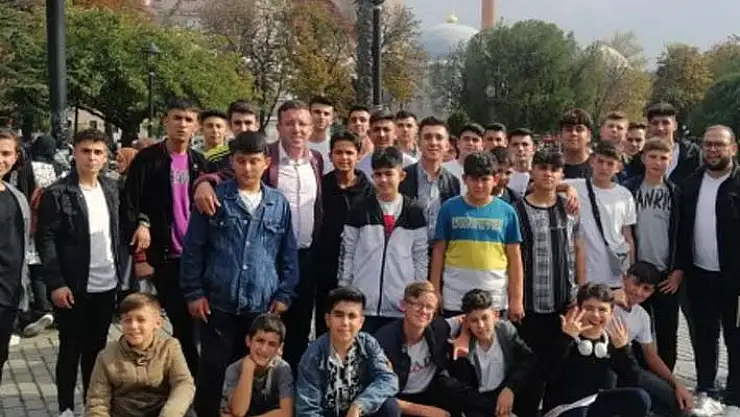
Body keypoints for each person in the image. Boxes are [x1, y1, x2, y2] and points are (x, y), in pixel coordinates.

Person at [194, 100, 324, 372]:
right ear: (279, 127)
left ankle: (287, 388)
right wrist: (204, 182)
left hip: (304, 257)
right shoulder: (263, 155)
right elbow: (230, 173)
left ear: (311, 127)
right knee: (251, 345)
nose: (296, 129)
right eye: (289, 123)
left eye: (302, 123)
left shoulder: (316, 160)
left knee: (297, 331)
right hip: (261, 262)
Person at [180, 131, 299, 417]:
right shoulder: (215, 198)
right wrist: (193, 292)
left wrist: (285, 293)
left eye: (254, 161)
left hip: (260, 305)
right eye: (241, 161)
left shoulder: (278, 203)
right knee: (213, 370)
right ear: (232, 161)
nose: (247, 168)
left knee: (251, 372)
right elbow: (193, 248)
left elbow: (288, 253)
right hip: (217, 303)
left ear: (266, 163)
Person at [36, 129, 122, 415]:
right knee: (70, 349)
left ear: (106, 156)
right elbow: (46, 240)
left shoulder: (111, 188)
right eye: (86, 151)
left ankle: (92, 404)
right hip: (73, 285)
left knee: (96, 350)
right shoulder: (58, 192)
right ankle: (65, 407)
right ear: (74, 153)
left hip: (106, 283)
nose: (92, 158)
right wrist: (56, 283)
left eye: (98, 152)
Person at [123, 98, 206, 377]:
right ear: (165, 121)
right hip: (164, 257)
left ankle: (194, 380)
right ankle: (187, 381)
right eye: (177, 118)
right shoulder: (147, 160)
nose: (182, 124)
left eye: (188, 119)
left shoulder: (199, 163)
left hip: (196, 257)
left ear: (196, 126)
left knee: (198, 323)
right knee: (181, 323)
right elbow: (131, 204)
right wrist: (140, 254)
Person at [513, 150, 585, 417]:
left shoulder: (569, 208)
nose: (548, 174)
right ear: (532, 171)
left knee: (559, 370)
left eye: (554, 169)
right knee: (530, 369)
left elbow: (578, 248)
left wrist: (581, 290)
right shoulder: (516, 210)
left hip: (563, 303)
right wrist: (515, 299)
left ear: (561, 174)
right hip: (529, 306)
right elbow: (511, 257)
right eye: (542, 168)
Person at [676, 125, 740, 417]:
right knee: (704, 336)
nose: (712, 150)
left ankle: (735, 397)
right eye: (708, 144)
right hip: (700, 275)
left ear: (733, 148)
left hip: (735, 279)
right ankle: (706, 390)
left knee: (736, 337)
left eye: (719, 145)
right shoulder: (690, 184)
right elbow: (681, 231)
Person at [338, 147, 428, 333]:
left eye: (389, 173)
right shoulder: (360, 208)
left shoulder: (414, 211)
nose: (383, 179)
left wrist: (417, 295)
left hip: (400, 305)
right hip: (363, 304)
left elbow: (420, 256)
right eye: (378, 174)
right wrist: (345, 290)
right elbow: (348, 252)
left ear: (401, 175)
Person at [431, 151, 524, 319]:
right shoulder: (449, 208)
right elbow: (438, 252)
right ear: (464, 179)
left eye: (485, 179)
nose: (479, 185)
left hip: (494, 297)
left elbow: (515, 258)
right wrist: (435, 291)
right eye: (474, 179)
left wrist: (516, 299)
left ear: (495, 179)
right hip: (455, 297)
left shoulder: (507, 212)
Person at [542, 284, 650, 417]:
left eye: (602, 309)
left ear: (611, 313)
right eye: (589, 308)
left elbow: (634, 381)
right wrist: (566, 339)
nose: (595, 315)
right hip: (565, 409)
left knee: (640, 398)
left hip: (597, 407)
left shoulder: (613, 343)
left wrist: (624, 350)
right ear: (578, 310)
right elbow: (545, 373)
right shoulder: (564, 337)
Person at [622, 138, 682, 371]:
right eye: (653, 157)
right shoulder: (629, 189)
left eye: (663, 158)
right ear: (644, 158)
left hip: (665, 274)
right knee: (635, 330)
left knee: (667, 331)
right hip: (638, 272)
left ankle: (666, 381)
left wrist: (678, 270)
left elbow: (683, 233)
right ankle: (638, 377)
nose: (658, 162)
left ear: (670, 160)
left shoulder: (675, 192)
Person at [295, 287, 400, 417]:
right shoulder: (313, 355)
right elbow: (307, 410)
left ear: (361, 322)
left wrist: (360, 405)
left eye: (352, 316)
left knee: (390, 406)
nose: (345, 323)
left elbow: (389, 379)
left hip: (359, 413)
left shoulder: (368, 344)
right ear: (328, 319)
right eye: (339, 315)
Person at [85, 293, 195, 417]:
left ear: (158, 323)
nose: (133, 326)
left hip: (162, 410)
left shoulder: (170, 348)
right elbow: (97, 401)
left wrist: (170, 413)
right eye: (127, 320)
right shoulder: (106, 356)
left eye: (141, 320)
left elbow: (183, 383)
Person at [614, 262, 694, 416]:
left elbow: (651, 356)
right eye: (636, 284)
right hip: (600, 365)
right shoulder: (604, 301)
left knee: (678, 403)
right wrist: (610, 298)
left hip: (627, 367)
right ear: (624, 279)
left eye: (646, 289)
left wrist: (677, 384)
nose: (638, 292)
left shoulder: (642, 316)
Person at [314, 131, 373, 336]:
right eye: (338, 152)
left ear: (359, 155)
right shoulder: (320, 185)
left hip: (358, 267)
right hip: (324, 267)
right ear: (330, 156)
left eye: (349, 153)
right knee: (325, 323)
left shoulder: (369, 190)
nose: (344, 157)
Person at [447, 289, 537, 417]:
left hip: (504, 393)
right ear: (466, 322)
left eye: (485, 318)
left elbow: (528, 360)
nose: (480, 325)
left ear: (495, 316)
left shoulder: (506, 331)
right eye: (474, 320)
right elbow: (464, 391)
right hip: (477, 402)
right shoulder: (462, 347)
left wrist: (510, 389)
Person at [564, 142, 636, 289]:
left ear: (618, 167)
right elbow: (538, 186)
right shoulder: (576, 186)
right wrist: (566, 189)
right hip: (586, 273)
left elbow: (627, 236)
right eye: (600, 161)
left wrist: (631, 271)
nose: (604, 167)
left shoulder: (625, 195)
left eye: (610, 164)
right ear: (592, 161)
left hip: (615, 272)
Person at [0, 128, 31, 385]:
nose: (1, 159)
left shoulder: (17, 197)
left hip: (8, 295)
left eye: (6, 153)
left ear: (15, 157)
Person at [398, 116, 460, 242]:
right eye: (427, 137)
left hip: (441, 249)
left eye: (439, 137)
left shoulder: (452, 182)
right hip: (409, 247)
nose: (433, 143)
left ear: (447, 145)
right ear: (418, 143)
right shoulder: (403, 177)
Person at [221, 314, 294, 417]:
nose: (264, 349)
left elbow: (286, 413)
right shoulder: (234, 369)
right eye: (260, 341)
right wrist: (248, 369)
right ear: (248, 341)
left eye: (272, 344)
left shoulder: (282, 369)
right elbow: (238, 412)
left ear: (280, 348)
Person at [624, 102, 701, 183]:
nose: (660, 128)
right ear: (649, 127)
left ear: (675, 125)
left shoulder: (692, 154)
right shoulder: (638, 160)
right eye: (655, 123)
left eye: (665, 123)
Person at [357, 109, 416, 179]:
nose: (381, 134)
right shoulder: (361, 167)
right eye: (376, 130)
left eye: (386, 130)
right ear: (369, 134)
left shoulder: (411, 165)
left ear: (395, 133)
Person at [443, 123, 485, 194]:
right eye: (466, 139)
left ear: (482, 146)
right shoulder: (443, 169)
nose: (470, 143)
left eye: (475, 140)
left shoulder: (487, 173)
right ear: (458, 143)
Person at [559, 109, 593, 179]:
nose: (574, 133)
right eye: (568, 129)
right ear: (560, 136)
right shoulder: (550, 170)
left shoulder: (599, 169)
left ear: (589, 135)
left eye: (579, 129)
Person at [308, 96, 335, 174]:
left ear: (332, 120)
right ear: (308, 115)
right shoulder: (297, 145)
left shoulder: (335, 147)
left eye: (326, 114)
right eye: (317, 112)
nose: (321, 117)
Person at [506, 128, 535, 197]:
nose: (520, 149)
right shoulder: (502, 177)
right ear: (508, 148)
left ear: (533, 149)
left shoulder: (541, 176)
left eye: (525, 144)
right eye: (515, 145)